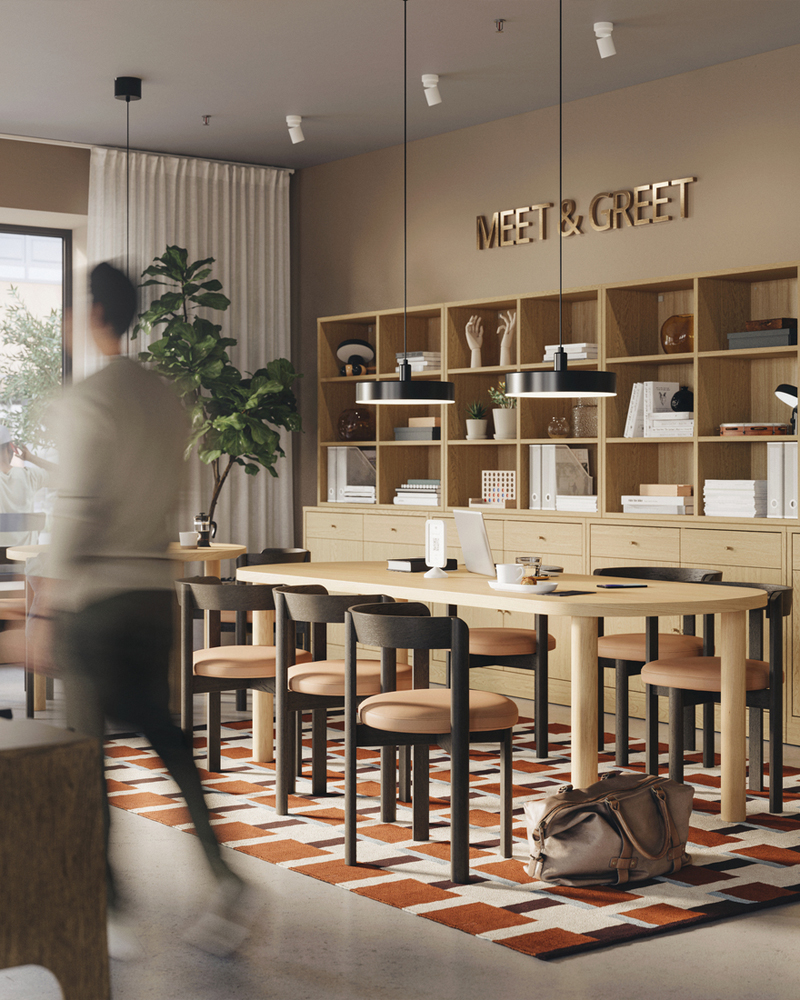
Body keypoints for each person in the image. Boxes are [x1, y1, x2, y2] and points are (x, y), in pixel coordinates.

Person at [47, 262, 248, 958]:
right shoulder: (167, 398)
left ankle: (111, 907)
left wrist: (45, 606)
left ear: (95, 315)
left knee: (88, 755)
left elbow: (77, 507)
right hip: (154, 594)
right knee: (165, 736)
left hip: (96, 600)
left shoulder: (88, 400)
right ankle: (223, 875)